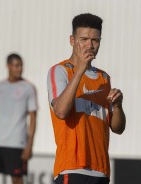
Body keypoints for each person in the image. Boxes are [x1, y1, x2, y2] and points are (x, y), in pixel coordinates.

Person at [47, 13, 126, 184]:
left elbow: (117, 128)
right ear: (72, 40)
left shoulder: (104, 78)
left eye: (95, 40)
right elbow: (60, 111)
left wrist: (118, 106)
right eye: (83, 39)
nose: (89, 45)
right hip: (71, 167)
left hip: (101, 170)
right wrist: (80, 69)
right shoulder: (59, 71)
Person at [0, 53, 38, 184]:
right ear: (8, 66)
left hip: (16, 144)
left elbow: (33, 119)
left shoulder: (28, 88)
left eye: (21, 66)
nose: (19, 69)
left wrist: (29, 145)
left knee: (17, 180)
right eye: (16, 65)